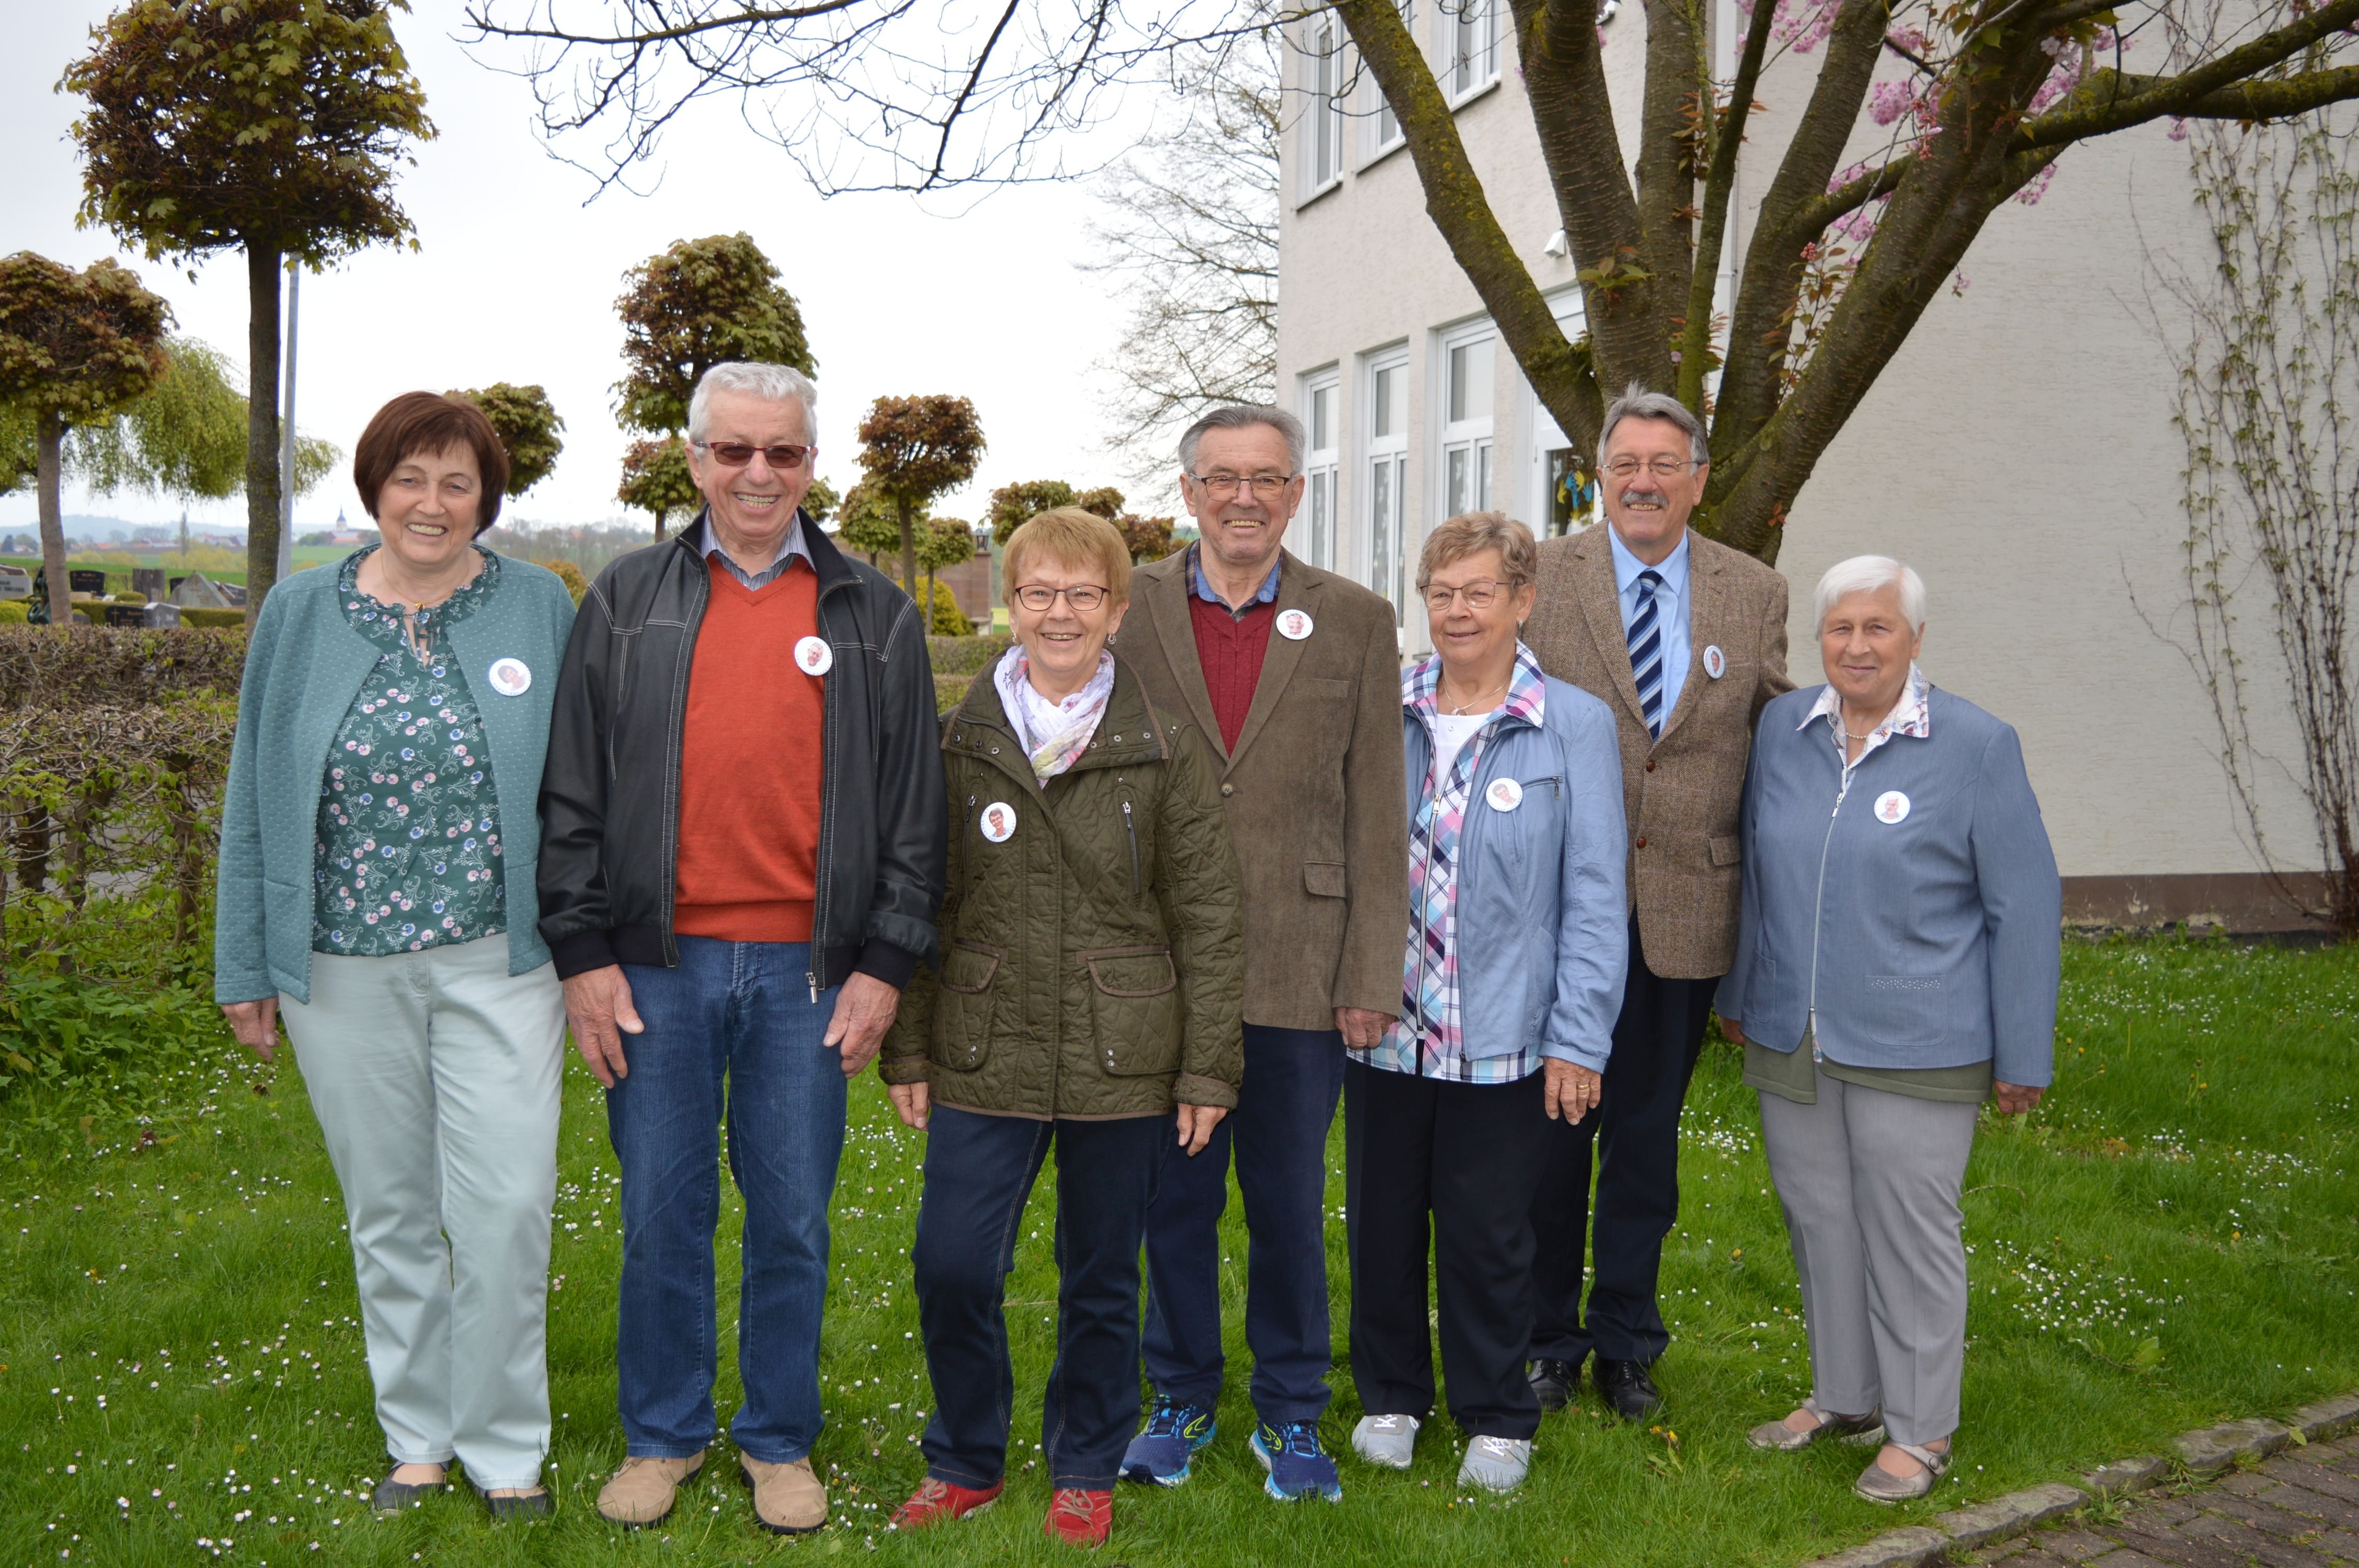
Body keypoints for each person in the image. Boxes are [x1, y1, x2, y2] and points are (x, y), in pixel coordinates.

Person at [536, 362, 947, 1535]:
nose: (759, 474)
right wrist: (582, 951)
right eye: (735, 451)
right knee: (662, 1211)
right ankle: (663, 1434)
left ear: (813, 464)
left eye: (785, 452)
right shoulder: (625, 601)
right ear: (694, 460)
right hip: (653, 968)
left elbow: (915, 815)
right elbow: (571, 796)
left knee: (793, 1216)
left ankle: (776, 1440)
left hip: (810, 977)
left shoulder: (876, 612)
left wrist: (886, 965)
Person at [214, 391, 578, 1520]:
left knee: (508, 1205)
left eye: (457, 483)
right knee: (389, 1209)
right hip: (339, 966)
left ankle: (508, 1448)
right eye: (410, 479)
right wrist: (245, 962)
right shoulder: (297, 613)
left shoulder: (536, 607)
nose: (432, 503)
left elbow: (582, 787)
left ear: (487, 499)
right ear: (375, 487)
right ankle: (417, 1439)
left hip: (501, 962)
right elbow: (253, 790)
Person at [879, 509, 1245, 1548]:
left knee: (1101, 1275)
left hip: (1122, 1051)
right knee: (952, 1263)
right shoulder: (960, 740)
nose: (1060, 613)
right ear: (1010, 602)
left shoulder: (1160, 741)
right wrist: (908, 1044)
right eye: (1039, 591)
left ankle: (1085, 1459)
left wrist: (1208, 1069)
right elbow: (920, 898)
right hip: (983, 1045)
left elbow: (1210, 914)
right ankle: (965, 1457)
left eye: (1083, 594)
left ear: (1117, 611)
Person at [1115, 405, 1410, 1502]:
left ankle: (1291, 1412)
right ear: (1188, 491)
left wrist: (1370, 973)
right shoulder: (1127, 606)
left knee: (1287, 1204)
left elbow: (1380, 808)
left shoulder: (1357, 619)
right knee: (1173, 1203)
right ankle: (1181, 1395)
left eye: (1269, 479)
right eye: (1224, 477)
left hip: (1303, 964)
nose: (1246, 497)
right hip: (1160, 966)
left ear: (1296, 494)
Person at [1719, 555, 2059, 1503]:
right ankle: (1845, 1395)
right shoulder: (1784, 730)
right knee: (1820, 1216)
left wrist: (2023, 1052)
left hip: (1924, 1037)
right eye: (1840, 629)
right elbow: (1758, 867)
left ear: (1916, 639)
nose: (1858, 645)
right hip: (1794, 1028)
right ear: (1816, 640)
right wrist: (1743, 993)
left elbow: (2024, 908)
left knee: (1909, 1231)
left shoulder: (1977, 745)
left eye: (1879, 628)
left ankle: (1921, 1429)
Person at [1520, 384, 1793, 1421]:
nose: (1641, 482)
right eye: (1623, 463)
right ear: (1600, 473)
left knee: (1644, 1146)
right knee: (1550, 1144)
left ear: (1698, 479)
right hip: (1556, 917)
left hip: (1686, 918)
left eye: (1663, 465)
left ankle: (1628, 1340)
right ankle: (1547, 1339)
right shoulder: (1539, 576)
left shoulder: (1751, 591)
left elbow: (1775, 746)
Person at [1345, 512, 1627, 1495]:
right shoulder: (1385, 705)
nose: (1457, 611)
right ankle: (1390, 1395)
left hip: (1505, 1035)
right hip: (1385, 1025)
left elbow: (1595, 896)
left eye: (1478, 592)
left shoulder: (1573, 724)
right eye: (1441, 592)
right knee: (1381, 1223)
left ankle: (1498, 1413)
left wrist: (1578, 1040)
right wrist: (1353, 984)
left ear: (1523, 600)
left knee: (1488, 1232)